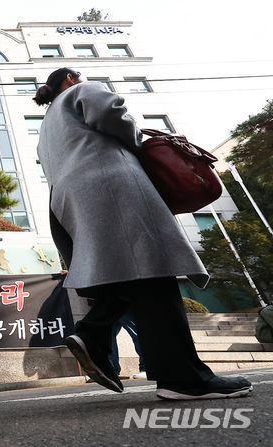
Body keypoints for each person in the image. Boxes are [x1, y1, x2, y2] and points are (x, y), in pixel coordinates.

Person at [34, 68, 251, 400]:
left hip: (71, 199)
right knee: (154, 270)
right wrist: (139, 142)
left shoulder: (46, 126)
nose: (83, 77)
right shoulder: (82, 91)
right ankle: (183, 378)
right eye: (79, 74)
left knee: (126, 274)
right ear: (67, 79)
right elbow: (110, 111)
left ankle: (93, 335)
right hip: (111, 184)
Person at [110, 311, 146, 380]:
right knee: (108, 336)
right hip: (108, 304)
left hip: (122, 303)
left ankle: (146, 368)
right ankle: (112, 370)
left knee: (136, 331)